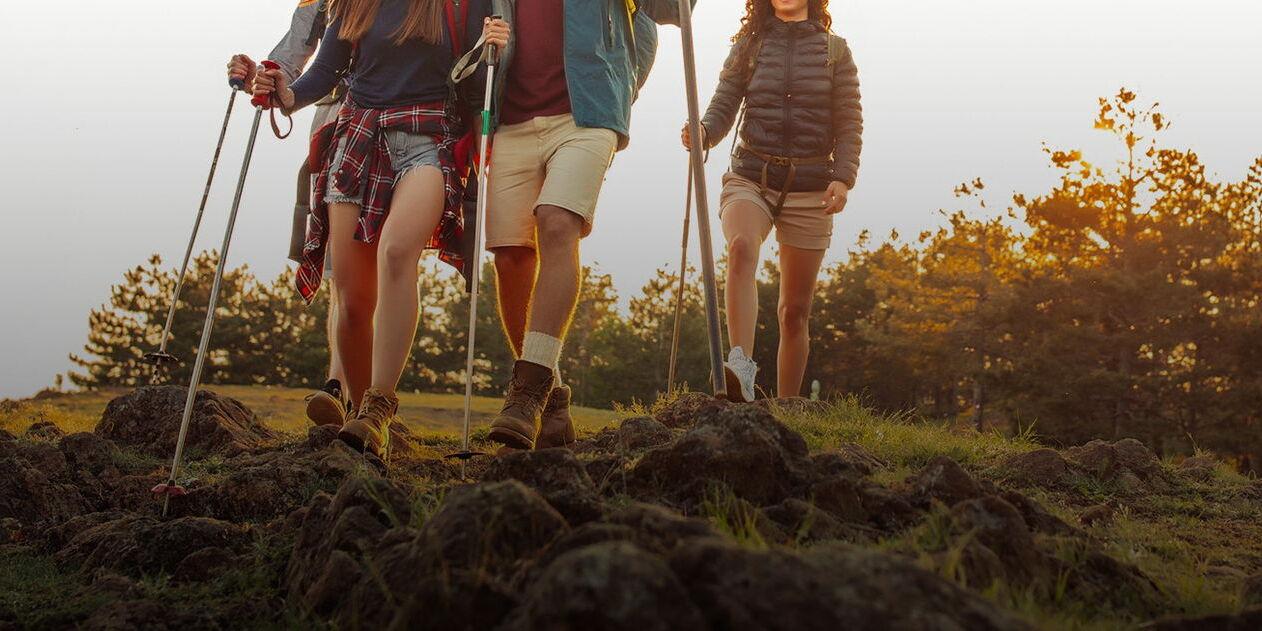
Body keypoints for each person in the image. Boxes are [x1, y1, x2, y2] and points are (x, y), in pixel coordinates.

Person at [251, 0, 511, 459]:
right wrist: (286, 94)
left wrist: (494, 50)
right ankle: (357, 411)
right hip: (356, 137)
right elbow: (325, 71)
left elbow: (478, 82)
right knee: (353, 301)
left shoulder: (460, 3)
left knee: (396, 253)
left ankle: (378, 406)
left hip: (427, 139)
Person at [481, 1, 685, 451]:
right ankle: (551, 398)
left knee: (557, 223)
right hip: (509, 120)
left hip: (586, 118)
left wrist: (618, 85)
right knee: (511, 254)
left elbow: (659, 16)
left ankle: (527, 393)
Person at [684, 0, 862, 401]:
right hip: (751, 177)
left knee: (794, 313)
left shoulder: (836, 51)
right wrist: (704, 131)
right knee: (742, 247)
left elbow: (849, 121)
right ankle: (740, 367)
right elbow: (723, 103)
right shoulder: (750, 44)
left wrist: (843, 178)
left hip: (811, 188)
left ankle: (786, 408)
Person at [226, 0, 350, 427]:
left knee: (391, 257)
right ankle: (340, 386)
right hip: (334, 118)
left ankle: (370, 392)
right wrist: (255, 75)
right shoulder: (317, 2)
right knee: (341, 263)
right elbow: (290, 58)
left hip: (408, 116)